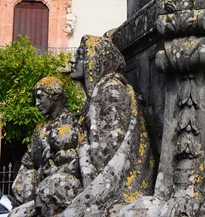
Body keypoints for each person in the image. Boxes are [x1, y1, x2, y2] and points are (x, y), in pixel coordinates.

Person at [60, 35, 155, 216]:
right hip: (92, 172)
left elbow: (109, 150)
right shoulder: (96, 95)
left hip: (115, 183)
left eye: (80, 55)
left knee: (56, 188)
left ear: (95, 60)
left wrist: (81, 154)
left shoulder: (111, 90)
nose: (72, 60)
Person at [10, 77, 81, 217]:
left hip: (63, 188)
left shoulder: (74, 123)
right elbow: (29, 162)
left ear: (55, 95)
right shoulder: (40, 128)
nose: (37, 103)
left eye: (40, 97)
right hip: (39, 189)